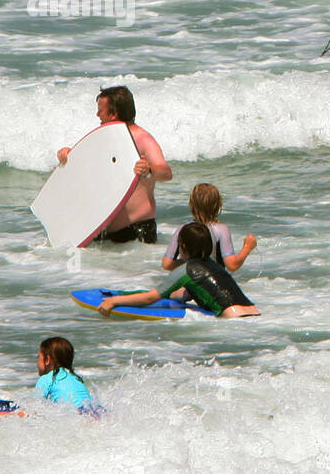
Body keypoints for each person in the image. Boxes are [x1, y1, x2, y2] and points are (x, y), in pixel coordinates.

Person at [57, 85, 171, 244]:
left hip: (137, 232)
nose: (97, 114)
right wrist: (68, 154)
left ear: (114, 114)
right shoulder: (103, 138)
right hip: (101, 232)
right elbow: (85, 165)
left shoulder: (142, 138)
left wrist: (149, 170)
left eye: (101, 110)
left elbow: (166, 173)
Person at [99, 223, 260, 318]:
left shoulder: (186, 270)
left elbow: (150, 298)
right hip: (253, 313)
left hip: (232, 317)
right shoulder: (213, 264)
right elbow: (191, 293)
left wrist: (114, 301)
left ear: (183, 246)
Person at [162, 183, 256, 272]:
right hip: (211, 282)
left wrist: (189, 262)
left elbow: (167, 264)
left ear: (191, 205)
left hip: (188, 280)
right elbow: (232, 265)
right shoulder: (221, 230)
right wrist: (247, 247)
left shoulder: (182, 229)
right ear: (218, 205)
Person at [36, 337, 100, 416]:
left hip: (76, 414)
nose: (37, 362)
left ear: (47, 360)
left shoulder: (46, 378)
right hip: (96, 412)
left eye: (38, 357)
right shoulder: (76, 378)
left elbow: (35, 408)